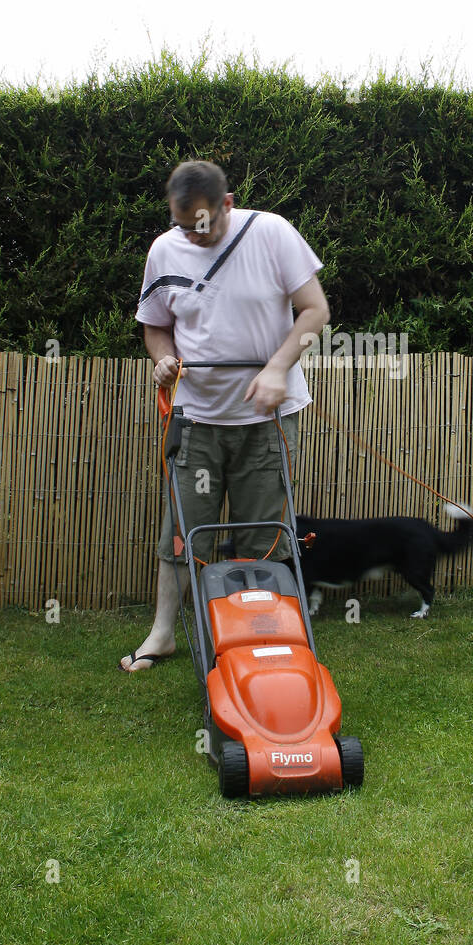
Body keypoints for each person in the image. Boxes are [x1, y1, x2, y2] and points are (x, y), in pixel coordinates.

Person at [119, 158, 329, 672]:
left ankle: (270, 643)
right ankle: (163, 634)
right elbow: (155, 324)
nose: (193, 236)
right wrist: (163, 359)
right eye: (183, 225)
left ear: (228, 204)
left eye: (204, 225)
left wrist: (278, 369)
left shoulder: (272, 233)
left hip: (266, 419)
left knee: (266, 536)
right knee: (182, 533)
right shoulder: (165, 249)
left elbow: (315, 310)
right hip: (196, 420)